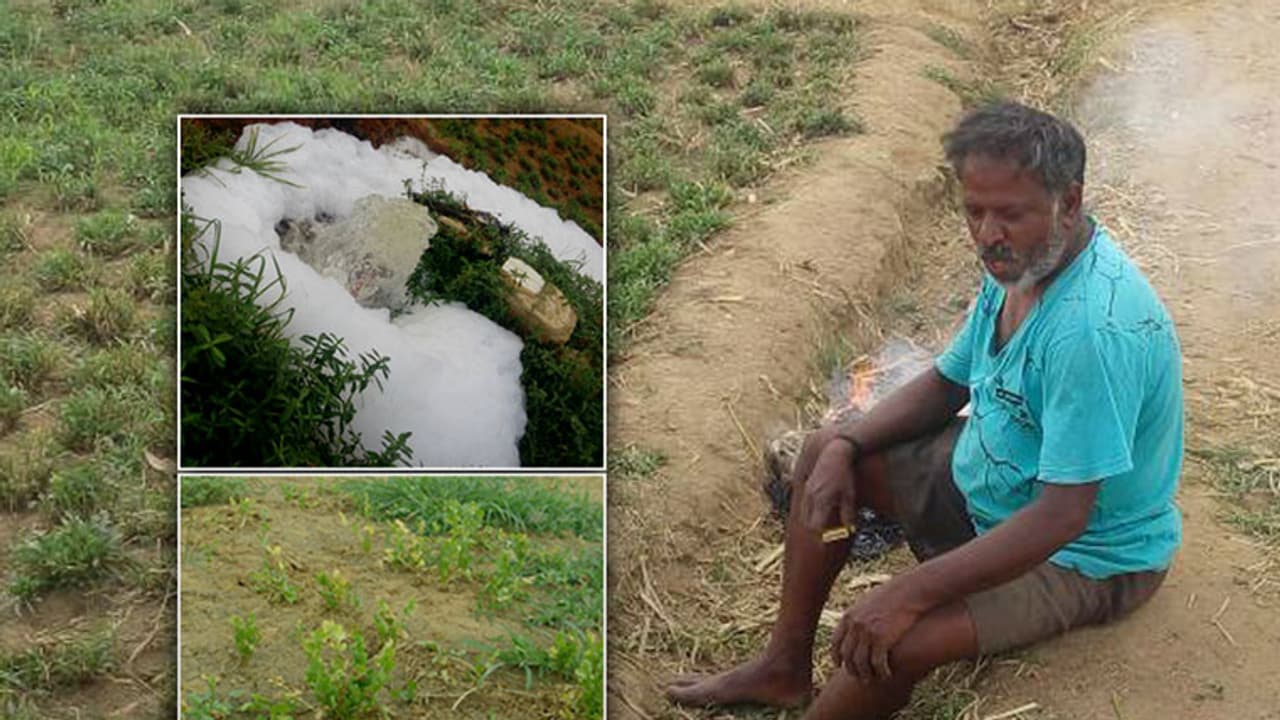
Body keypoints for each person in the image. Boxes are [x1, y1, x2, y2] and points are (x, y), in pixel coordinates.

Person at [666, 101, 1183, 719]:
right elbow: (946, 383)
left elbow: (1062, 517)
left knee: (897, 639)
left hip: (1083, 557)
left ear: (1068, 203)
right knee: (824, 451)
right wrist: (846, 444)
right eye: (974, 211)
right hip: (999, 490)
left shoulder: (1090, 331)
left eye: (1009, 214)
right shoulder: (1021, 260)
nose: (987, 233)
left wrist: (906, 593)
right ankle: (783, 667)